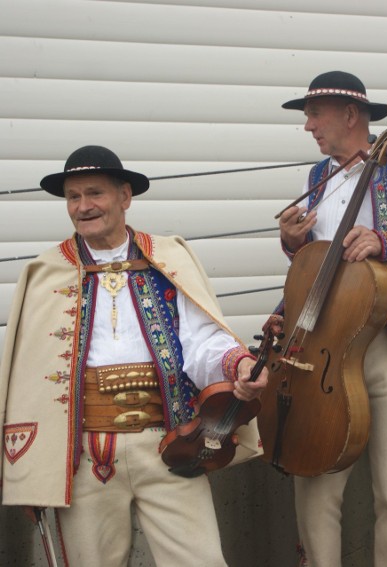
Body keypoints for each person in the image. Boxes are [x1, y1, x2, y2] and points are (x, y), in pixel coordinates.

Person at [0, 145, 267, 566]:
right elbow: (28, 379)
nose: (83, 207)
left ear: (125, 196)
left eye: (95, 194)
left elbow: (200, 342)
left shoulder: (168, 257)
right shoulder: (45, 273)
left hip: (171, 445)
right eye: (74, 197)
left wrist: (239, 364)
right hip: (86, 458)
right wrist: (31, 473)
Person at [277, 71, 387, 567]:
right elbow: (320, 266)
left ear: (350, 114)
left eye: (315, 114)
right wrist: (294, 245)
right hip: (328, 345)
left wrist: (386, 241)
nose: (308, 125)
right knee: (315, 475)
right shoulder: (317, 178)